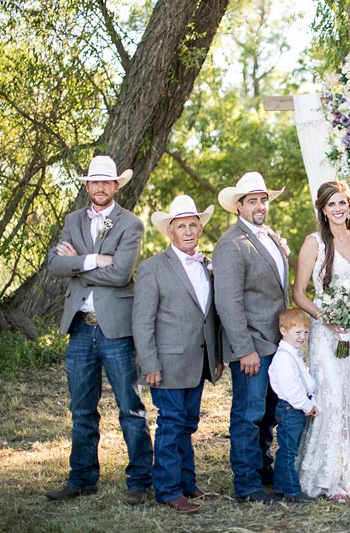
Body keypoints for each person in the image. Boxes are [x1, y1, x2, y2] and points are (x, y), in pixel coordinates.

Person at [45, 155, 153, 505]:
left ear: (116, 186)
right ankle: (81, 478)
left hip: (116, 330)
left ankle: (140, 479)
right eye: (95, 182)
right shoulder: (72, 220)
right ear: (87, 186)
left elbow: (121, 274)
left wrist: (75, 265)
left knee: (130, 406)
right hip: (80, 329)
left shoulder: (131, 224)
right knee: (81, 409)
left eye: (107, 182)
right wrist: (92, 261)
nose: (101, 188)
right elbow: (54, 265)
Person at [132, 195, 224, 513]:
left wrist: (216, 356)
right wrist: (150, 363)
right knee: (171, 424)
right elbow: (142, 321)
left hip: (198, 361)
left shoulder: (206, 266)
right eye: (181, 226)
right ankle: (169, 491)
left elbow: (208, 317)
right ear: (170, 231)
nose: (188, 231)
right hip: (167, 363)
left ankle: (188, 485)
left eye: (192, 225)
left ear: (200, 229)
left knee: (188, 424)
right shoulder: (152, 268)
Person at [292, 180, 350, 500]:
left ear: (349, 205)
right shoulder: (314, 243)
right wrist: (326, 318)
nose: (338, 209)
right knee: (330, 397)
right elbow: (299, 293)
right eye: (331, 204)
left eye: (342, 202)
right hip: (324, 332)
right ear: (322, 209)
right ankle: (329, 476)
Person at [214, 172, 288, 504]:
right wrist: (244, 349)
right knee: (248, 414)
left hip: (277, 343)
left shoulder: (268, 236)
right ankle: (246, 484)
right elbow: (228, 302)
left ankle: (261, 468)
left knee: (269, 413)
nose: (260, 206)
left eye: (263, 200)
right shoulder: (231, 244)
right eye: (252, 201)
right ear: (239, 206)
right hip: (252, 346)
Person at [267, 308, 319, 504]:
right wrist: (307, 406)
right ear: (283, 331)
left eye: (305, 332)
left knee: (287, 449)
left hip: (295, 408)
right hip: (290, 408)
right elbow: (292, 389)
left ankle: (280, 486)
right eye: (297, 332)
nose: (302, 337)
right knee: (289, 452)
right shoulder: (283, 358)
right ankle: (292, 492)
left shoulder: (293, 353)